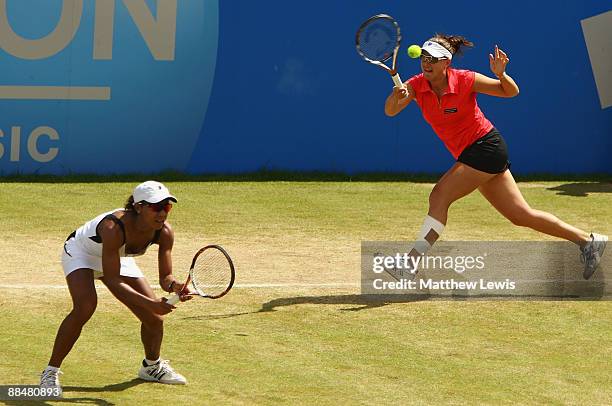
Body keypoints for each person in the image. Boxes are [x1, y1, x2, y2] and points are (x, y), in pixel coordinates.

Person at [384, 34, 607, 279]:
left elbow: (510, 91)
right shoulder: (416, 86)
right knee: (521, 215)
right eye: (425, 58)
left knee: (439, 196)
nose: (427, 63)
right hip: (473, 153)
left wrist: (501, 74)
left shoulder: (466, 79)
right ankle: (588, 242)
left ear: (446, 62)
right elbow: (391, 111)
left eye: (434, 59)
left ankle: (410, 263)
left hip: (485, 146)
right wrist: (397, 96)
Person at [40, 181, 193, 388]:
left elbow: (165, 277)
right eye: (156, 207)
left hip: (116, 256)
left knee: (154, 319)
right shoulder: (112, 227)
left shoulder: (164, 231)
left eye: (167, 207)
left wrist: (175, 285)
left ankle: (151, 367)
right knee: (85, 306)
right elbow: (113, 279)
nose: (162, 213)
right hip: (82, 253)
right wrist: (151, 302)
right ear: (138, 207)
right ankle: (50, 372)